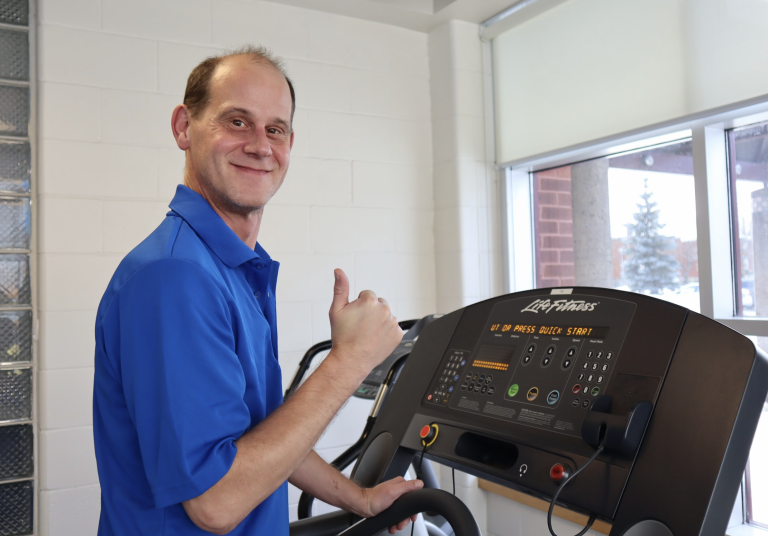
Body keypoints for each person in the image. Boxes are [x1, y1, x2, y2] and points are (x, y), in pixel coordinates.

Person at [92, 45, 422, 536]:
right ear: (184, 126)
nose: (260, 146)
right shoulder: (174, 277)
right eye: (237, 122)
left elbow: (257, 438)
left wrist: (361, 499)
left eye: (275, 129)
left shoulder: (233, 268)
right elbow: (216, 503)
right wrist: (348, 362)